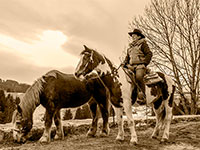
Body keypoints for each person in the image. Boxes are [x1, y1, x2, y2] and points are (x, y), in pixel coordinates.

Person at [122, 29, 152, 103]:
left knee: (138, 77)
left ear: (139, 36)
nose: (133, 37)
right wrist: (124, 63)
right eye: (132, 36)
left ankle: (143, 96)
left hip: (140, 66)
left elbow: (149, 54)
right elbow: (127, 57)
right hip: (131, 66)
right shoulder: (130, 47)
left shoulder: (143, 44)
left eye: (134, 35)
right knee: (123, 76)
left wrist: (145, 63)